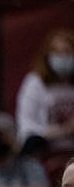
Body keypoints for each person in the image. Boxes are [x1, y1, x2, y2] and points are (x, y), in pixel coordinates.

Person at [16, 28, 74, 157]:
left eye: (67, 52)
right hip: (43, 150)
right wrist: (64, 130)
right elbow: (26, 127)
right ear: (47, 55)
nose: (63, 57)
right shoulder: (35, 82)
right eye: (57, 52)